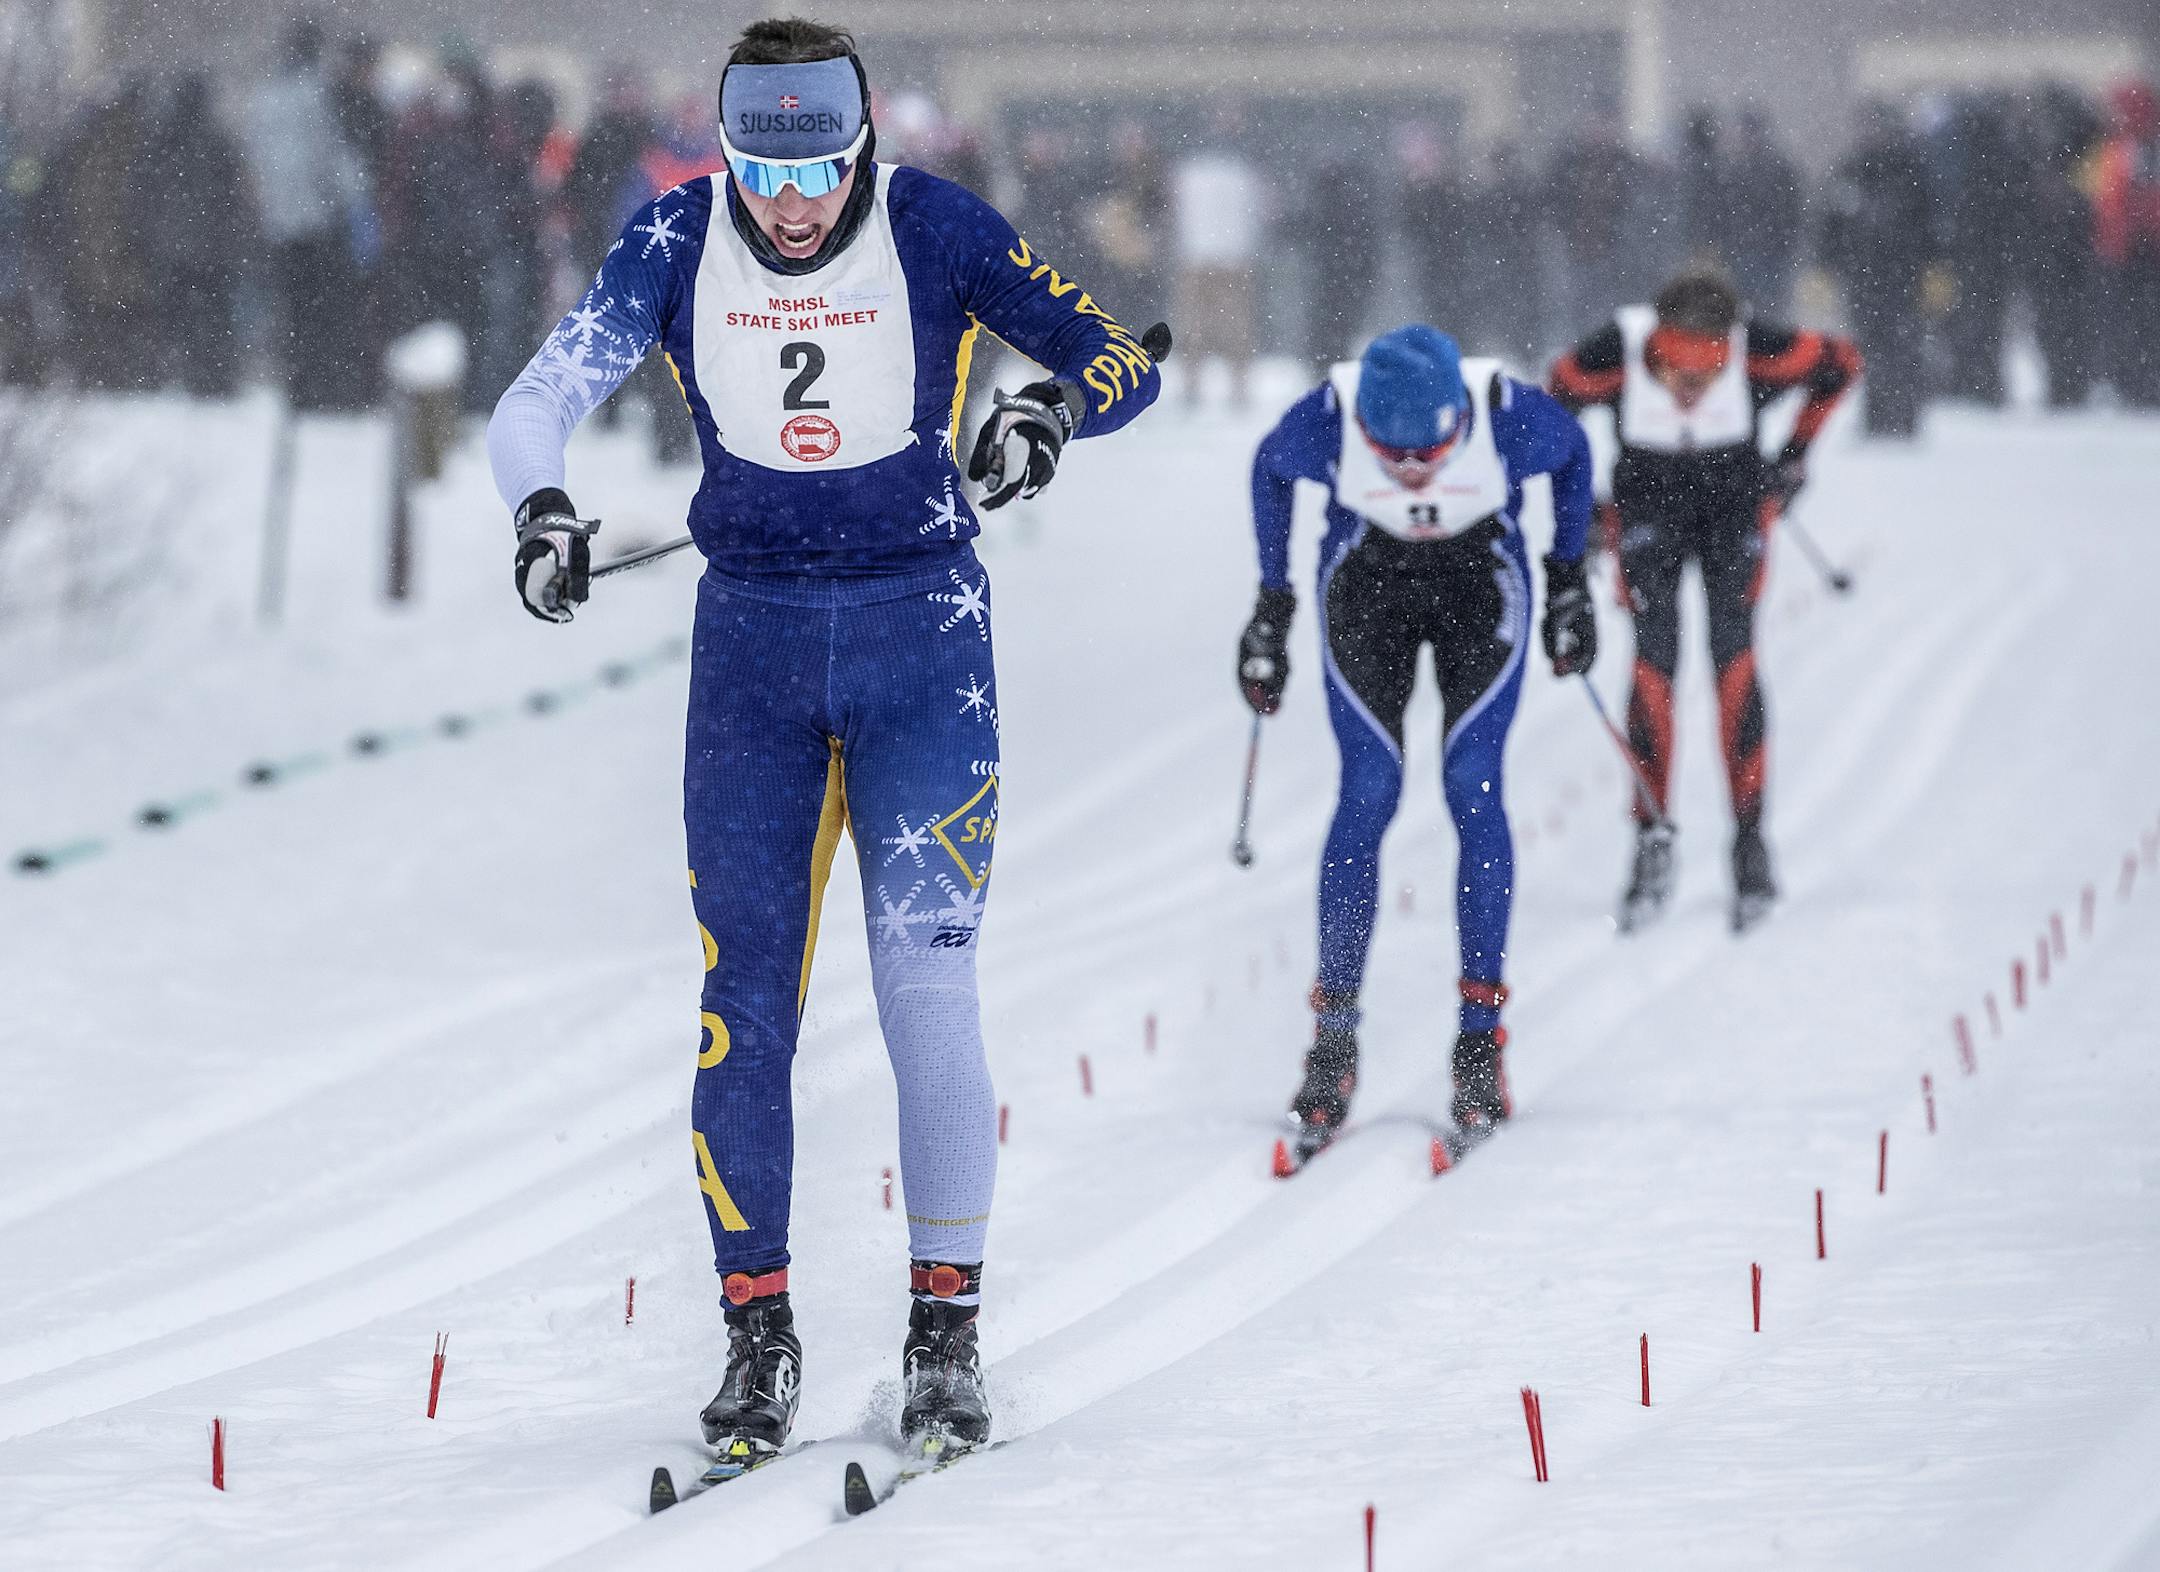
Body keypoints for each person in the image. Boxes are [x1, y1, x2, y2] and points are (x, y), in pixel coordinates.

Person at [486, 18, 1161, 1478]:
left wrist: (1044, 413)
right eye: (762, 170)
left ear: (863, 147)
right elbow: (537, 400)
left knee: (927, 992)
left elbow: (1120, 357)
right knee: (745, 1007)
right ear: (725, 150)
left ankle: (944, 1336)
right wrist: (541, 512)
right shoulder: (673, 237)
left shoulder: (936, 227)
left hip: (926, 647)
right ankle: (757, 1335)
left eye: (818, 169)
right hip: (755, 660)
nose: (790, 207)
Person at [1236, 325, 1595, 1171]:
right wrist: (1272, 602)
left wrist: (1569, 577)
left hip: (1483, 586)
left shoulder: (1506, 413)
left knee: (1472, 785)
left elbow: (1575, 455)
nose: (1411, 472)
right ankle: (1332, 1039)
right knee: (1368, 790)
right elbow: (1269, 471)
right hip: (1367, 588)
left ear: (1456, 418)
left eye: (1430, 451)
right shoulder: (1326, 417)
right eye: (1389, 454)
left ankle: (1480, 1042)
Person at [1547, 268, 1860, 934]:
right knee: (1654, 669)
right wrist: (1582, 507)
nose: (1689, 385)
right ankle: (1652, 843)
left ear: (1729, 344)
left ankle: (1749, 844)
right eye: (1674, 366)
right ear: (1655, 342)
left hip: (1735, 514)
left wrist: (1795, 456)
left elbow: (1839, 366)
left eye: (1708, 367)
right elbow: (1551, 410)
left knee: (1733, 662)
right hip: (1647, 514)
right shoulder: (1616, 350)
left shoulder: (1761, 346)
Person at [1820, 102, 1934, 437]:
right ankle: (1877, 417)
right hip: (1860, 275)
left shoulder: (1910, 169)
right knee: (1869, 350)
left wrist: (1933, 264)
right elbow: (1830, 223)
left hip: (1902, 274)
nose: (1870, 133)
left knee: (1904, 347)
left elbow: (1928, 221)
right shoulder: (1849, 170)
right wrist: (1826, 264)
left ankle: (1905, 417)